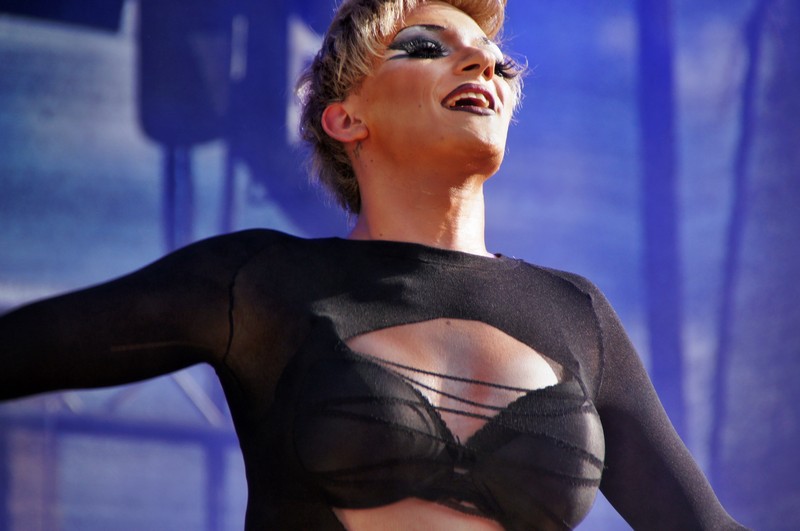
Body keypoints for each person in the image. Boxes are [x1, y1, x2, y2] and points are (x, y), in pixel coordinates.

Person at [0, 1, 747, 529]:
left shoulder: (575, 312)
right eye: (426, 45)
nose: (484, 62)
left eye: (500, 61)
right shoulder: (258, 283)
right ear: (345, 117)